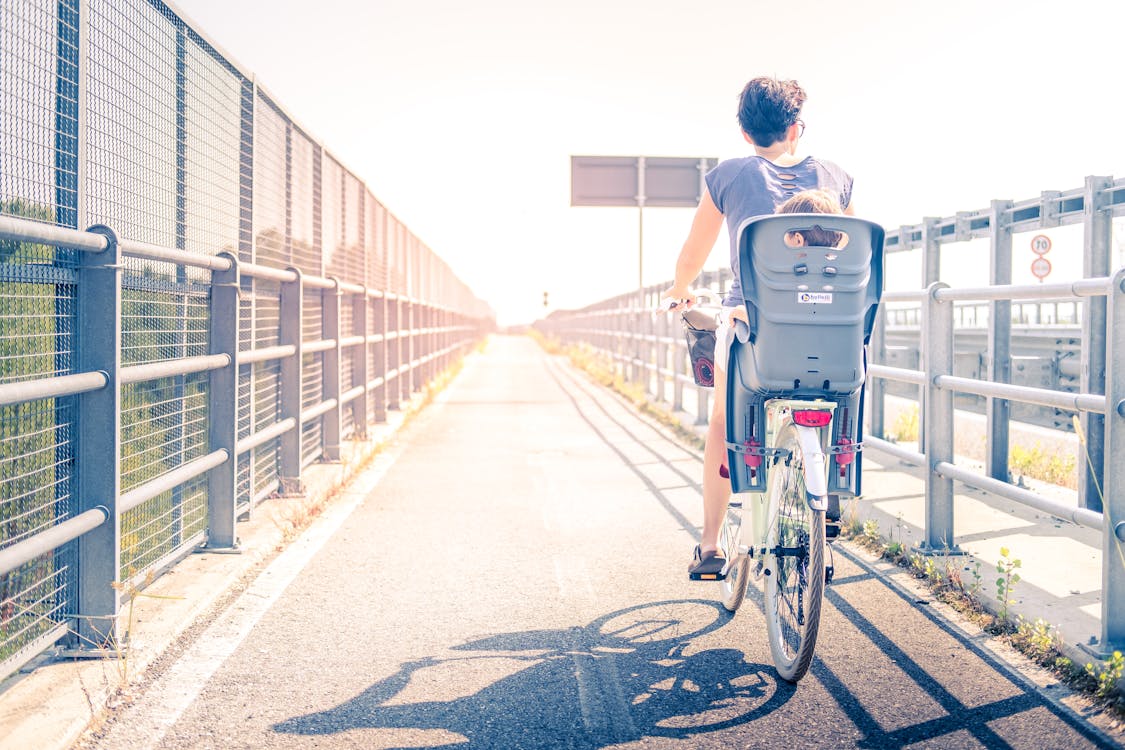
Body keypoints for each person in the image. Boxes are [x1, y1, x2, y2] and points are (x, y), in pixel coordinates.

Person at [662, 76, 855, 580]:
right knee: (836, 392)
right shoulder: (836, 176)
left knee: (725, 423)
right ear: (797, 127)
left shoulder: (728, 176)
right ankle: (828, 491)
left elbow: (693, 254)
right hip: (829, 331)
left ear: (746, 133)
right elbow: (857, 252)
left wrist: (681, 288)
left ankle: (710, 545)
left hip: (754, 329)